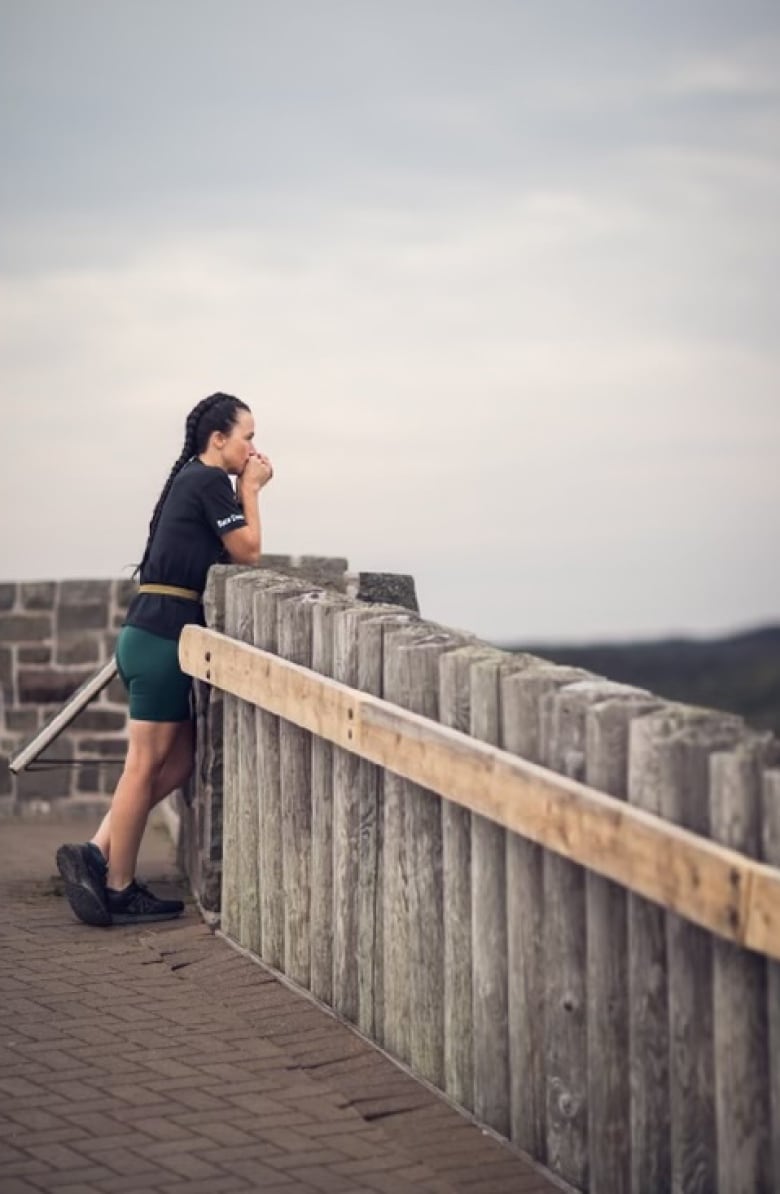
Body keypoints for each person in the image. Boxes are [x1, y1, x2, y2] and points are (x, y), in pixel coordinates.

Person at [56, 392, 273, 926]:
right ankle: (118, 884)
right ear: (218, 439)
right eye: (247, 435)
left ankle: (98, 849)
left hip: (153, 637)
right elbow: (248, 550)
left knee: (177, 762)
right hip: (157, 640)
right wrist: (250, 489)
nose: (253, 446)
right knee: (143, 765)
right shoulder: (207, 480)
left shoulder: (194, 484)